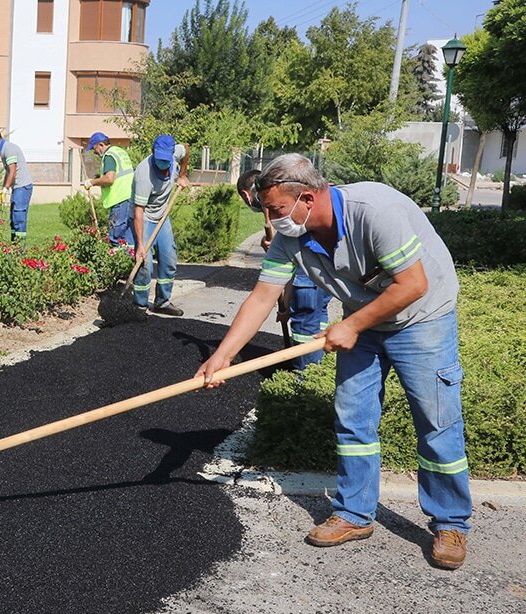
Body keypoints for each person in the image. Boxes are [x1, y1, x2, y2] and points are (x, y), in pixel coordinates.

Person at [196, 153, 471, 570]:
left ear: (307, 197)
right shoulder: (293, 236)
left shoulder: (376, 211)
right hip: (363, 320)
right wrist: (222, 356)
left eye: (275, 210)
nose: (271, 220)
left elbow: (413, 284)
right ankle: (354, 513)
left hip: (422, 318)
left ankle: (450, 522)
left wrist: (351, 325)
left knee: (436, 421)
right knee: (353, 417)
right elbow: (263, 296)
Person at [237, 168, 332, 370]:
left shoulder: (280, 215)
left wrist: (286, 304)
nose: (271, 214)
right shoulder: (287, 199)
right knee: (317, 319)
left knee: (304, 326)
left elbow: (287, 269)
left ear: (247, 195)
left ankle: (304, 374)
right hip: (324, 271)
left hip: (307, 275)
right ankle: (320, 366)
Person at [131, 134, 189, 316]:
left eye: (166, 159)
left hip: (163, 217)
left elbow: (186, 148)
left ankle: (162, 302)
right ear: (153, 153)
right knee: (144, 262)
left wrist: (182, 174)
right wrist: (140, 245)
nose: (162, 163)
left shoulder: (175, 154)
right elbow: (138, 211)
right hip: (146, 217)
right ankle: (139, 305)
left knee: (169, 258)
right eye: (159, 159)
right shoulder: (143, 174)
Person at [83, 132, 136, 251]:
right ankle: (131, 265)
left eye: (94, 148)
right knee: (129, 237)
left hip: (120, 199)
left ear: (101, 145)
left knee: (116, 236)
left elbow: (109, 178)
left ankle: (118, 264)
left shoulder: (109, 156)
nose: (94, 152)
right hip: (130, 197)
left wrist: (92, 182)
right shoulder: (120, 151)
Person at [0, 127, 33, 242]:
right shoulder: (3, 151)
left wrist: (5, 189)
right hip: (17, 188)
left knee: (18, 218)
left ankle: (19, 250)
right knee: (13, 219)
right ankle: (14, 246)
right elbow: (8, 172)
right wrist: (3, 189)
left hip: (23, 187)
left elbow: (13, 171)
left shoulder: (9, 149)